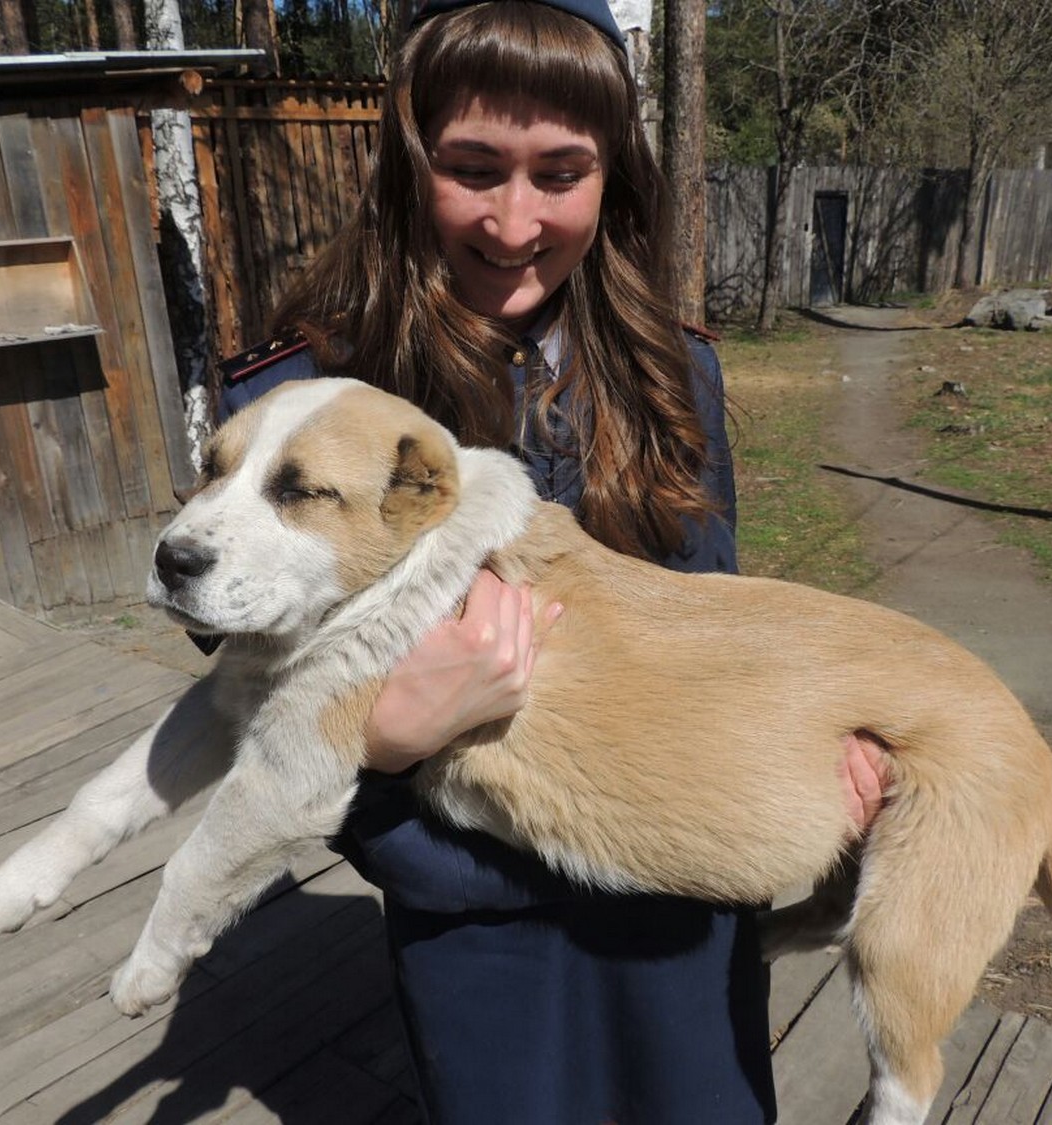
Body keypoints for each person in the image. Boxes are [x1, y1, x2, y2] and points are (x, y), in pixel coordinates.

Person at [214, 1, 886, 1120]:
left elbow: (717, 630)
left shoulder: (679, 377)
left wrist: (834, 744)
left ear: (613, 177)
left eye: (560, 174)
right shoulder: (299, 404)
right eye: (473, 168)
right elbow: (250, 708)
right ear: (407, 163)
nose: (515, 222)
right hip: (478, 930)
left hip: (678, 892)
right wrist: (382, 742)